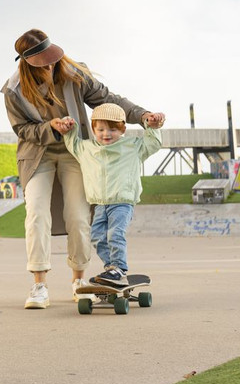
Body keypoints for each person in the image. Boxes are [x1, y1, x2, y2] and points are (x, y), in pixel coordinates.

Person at [1, 29, 164, 309]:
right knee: (36, 214)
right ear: (26, 63)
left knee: (78, 216)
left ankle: (78, 280)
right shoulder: (13, 90)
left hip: (77, 152)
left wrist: (143, 115)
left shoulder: (74, 73)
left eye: (52, 59)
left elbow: (109, 100)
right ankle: (39, 285)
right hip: (38, 154)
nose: (51, 66)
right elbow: (22, 130)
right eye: (43, 63)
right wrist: (50, 127)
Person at [56, 103, 162, 289]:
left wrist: (152, 126)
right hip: (99, 204)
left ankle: (119, 268)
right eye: (101, 129)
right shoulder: (87, 148)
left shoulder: (132, 147)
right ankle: (112, 268)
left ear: (122, 129)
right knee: (97, 236)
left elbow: (153, 144)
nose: (106, 134)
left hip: (122, 202)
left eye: (113, 129)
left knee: (115, 234)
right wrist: (69, 128)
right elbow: (72, 143)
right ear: (93, 129)